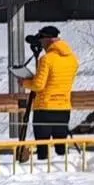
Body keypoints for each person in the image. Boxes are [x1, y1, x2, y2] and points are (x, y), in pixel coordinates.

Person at [17, 26, 79, 159]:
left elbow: (38, 86)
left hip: (45, 108)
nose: (40, 43)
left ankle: (43, 170)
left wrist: (24, 82)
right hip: (63, 108)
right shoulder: (73, 59)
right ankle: (63, 170)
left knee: (43, 147)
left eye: (41, 40)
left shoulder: (46, 59)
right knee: (60, 146)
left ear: (48, 40)